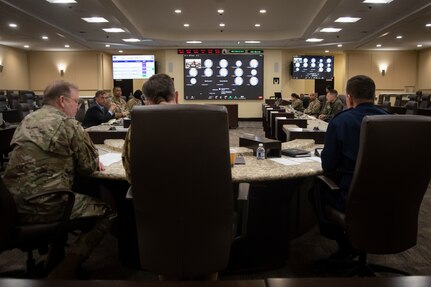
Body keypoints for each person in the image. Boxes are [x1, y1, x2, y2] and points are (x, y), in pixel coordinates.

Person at [2, 80, 116, 278]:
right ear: (62, 101)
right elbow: (89, 167)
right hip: (45, 204)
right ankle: (61, 274)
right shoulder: (68, 124)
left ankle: (54, 261)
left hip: (10, 204)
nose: (78, 107)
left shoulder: (27, 120)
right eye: (76, 102)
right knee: (107, 211)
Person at [321, 75, 388, 213]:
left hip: (351, 197)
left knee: (315, 191)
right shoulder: (392, 120)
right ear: (374, 96)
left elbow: (328, 166)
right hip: (391, 196)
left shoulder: (340, 121)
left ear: (349, 98)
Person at [122, 74, 178, 186]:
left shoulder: (137, 126)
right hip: (200, 200)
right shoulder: (206, 123)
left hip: (150, 200)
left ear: (146, 101)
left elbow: (130, 174)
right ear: (177, 96)